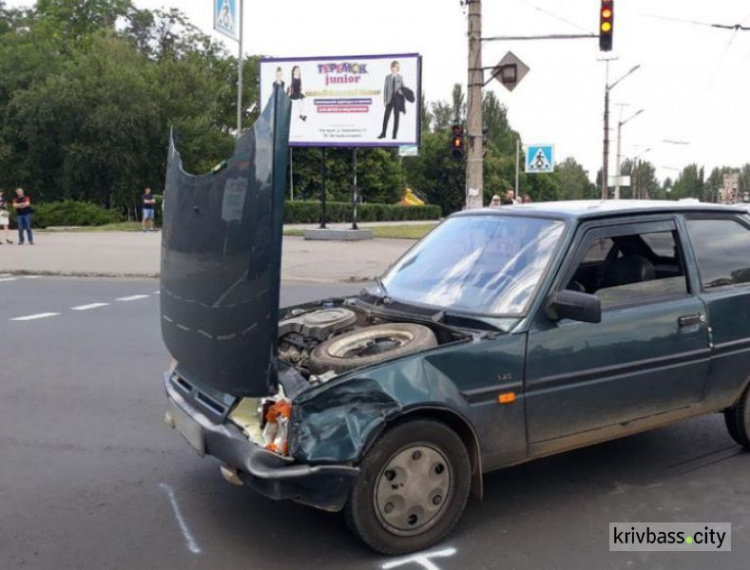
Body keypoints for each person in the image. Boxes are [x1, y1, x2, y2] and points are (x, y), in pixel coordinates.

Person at [378, 61, 406, 140]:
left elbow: (403, 88)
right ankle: (383, 133)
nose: (394, 69)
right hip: (389, 100)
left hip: (397, 99)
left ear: (398, 69)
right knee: (386, 116)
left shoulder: (400, 77)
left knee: (396, 117)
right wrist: (385, 100)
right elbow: (385, 89)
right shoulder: (387, 77)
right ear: (391, 68)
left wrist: (402, 92)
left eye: (396, 68)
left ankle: (394, 135)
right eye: (393, 68)